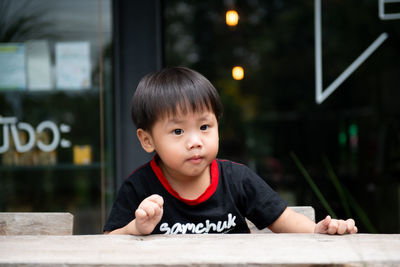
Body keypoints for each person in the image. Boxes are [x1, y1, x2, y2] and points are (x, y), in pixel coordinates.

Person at [104, 67, 358, 235]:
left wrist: (317, 231)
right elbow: (107, 242)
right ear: (147, 140)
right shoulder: (139, 187)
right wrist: (134, 229)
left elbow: (283, 219)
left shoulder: (237, 179)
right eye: (178, 132)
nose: (195, 141)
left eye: (204, 126)